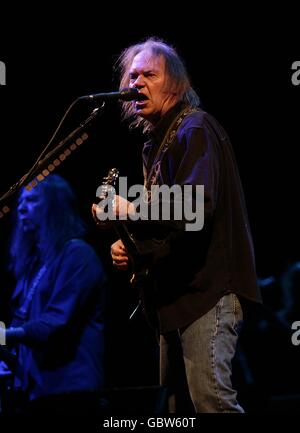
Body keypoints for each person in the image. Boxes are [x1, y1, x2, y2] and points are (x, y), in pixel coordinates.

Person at [92, 37, 262, 413]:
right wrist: (134, 251)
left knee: (212, 403)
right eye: (132, 76)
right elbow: (171, 228)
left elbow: (196, 206)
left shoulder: (195, 129)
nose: (136, 83)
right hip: (176, 297)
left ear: (176, 84)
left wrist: (130, 206)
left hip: (208, 293)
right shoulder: (155, 144)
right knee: (175, 410)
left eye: (149, 74)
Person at [0, 174, 107, 415]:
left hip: (71, 393)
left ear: (54, 205)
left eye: (32, 200)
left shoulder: (78, 255)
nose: (21, 208)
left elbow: (55, 323)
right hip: (37, 393)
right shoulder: (36, 263)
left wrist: (5, 336)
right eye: (21, 202)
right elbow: (24, 325)